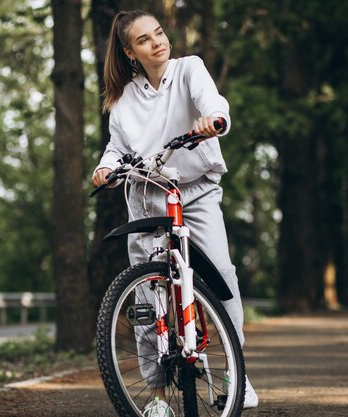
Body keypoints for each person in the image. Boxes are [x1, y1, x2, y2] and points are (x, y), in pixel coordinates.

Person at [92, 9, 259, 416]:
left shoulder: (189, 70)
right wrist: (103, 167)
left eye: (160, 32)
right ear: (131, 52)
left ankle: (233, 376)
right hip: (147, 197)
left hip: (195, 194)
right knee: (149, 298)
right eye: (145, 40)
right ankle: (158, 395)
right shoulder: (123, 98)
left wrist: (213, 121)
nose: (158, 42)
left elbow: (213, 102)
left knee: (221, 275)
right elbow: (117, 147)